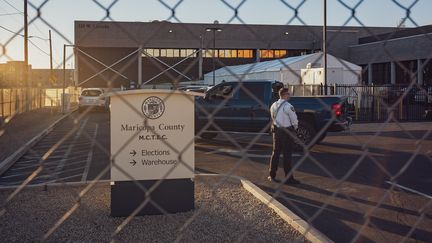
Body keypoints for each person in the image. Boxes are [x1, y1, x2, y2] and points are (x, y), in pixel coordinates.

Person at [268, 87, 300, 185]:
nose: (289, 95)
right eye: (288, 94)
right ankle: (289, 178)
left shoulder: (273, 105)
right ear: (285, 95)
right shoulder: (288, 106)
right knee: (287, 155)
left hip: (276, 131)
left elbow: (272, 116)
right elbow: (294, 120)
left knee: (275, 153)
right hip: (287, 132)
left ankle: (272, 175)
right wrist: (296, 127)